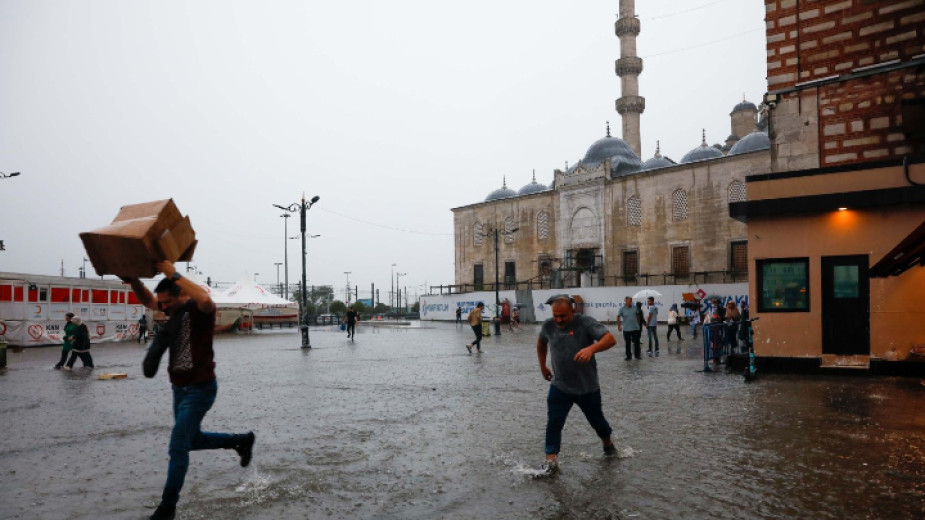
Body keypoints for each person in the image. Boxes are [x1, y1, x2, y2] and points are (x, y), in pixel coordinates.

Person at [125, 261, 255, 520]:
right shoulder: (172, 312)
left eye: (168, 303)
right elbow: (149, 301)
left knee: (178, 447)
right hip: (179, 389)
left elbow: (205, 298)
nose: (162, 308)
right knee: (191, 440)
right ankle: (240, 440)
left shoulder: (200, 310)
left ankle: (167, 509)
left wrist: (171, 272)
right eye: (162, 304)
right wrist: (133, 280)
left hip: (200, 389)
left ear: (182, 295)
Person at [536, 295, 617, 473]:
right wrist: (542, 366)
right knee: (554, 423)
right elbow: (541, 343)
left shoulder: (585, 323)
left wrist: (591, 348)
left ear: (572, 311)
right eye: (556, 315)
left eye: (563, 316)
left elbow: (610, 339)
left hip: (587, 388)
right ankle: (551, 460)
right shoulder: (548, 325)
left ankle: (608, 444)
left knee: (597, 422)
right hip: (560, 386)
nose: (558, 320)